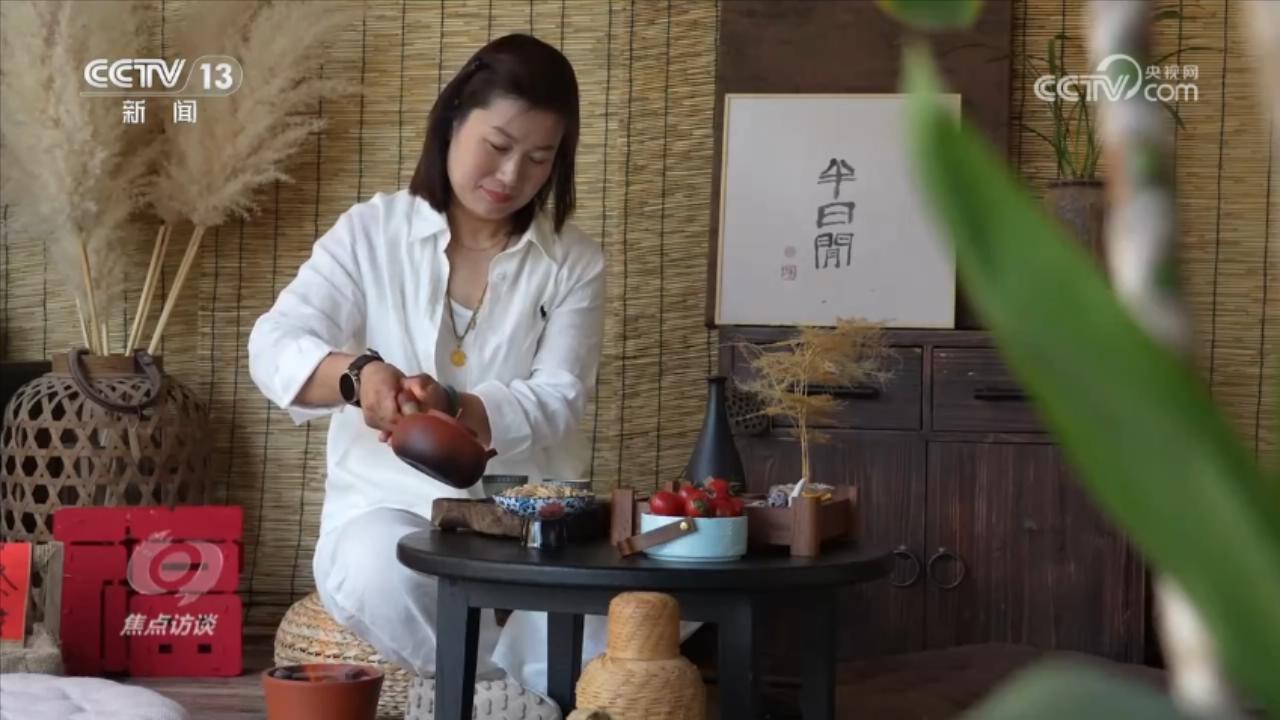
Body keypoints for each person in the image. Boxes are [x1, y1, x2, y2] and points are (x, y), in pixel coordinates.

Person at [247, 34, 614, 702]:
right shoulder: (371, 232)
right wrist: (360, 376)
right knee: (376, 569)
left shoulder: (574, 261)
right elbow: (275, 342)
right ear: (451, 123)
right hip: (389, 516)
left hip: (527, 528)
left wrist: (459, 408)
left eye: (539, 159)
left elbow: (562, 395)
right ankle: (517, 691)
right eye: (497, 146)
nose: (511, 175)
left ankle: (492, 691)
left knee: (654, 605)